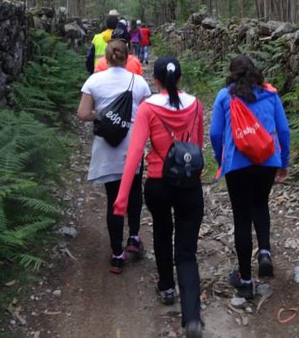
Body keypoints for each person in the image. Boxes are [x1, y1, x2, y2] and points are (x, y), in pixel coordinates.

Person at [113, 56, 205, 338]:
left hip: (158, 183)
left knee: (163, 234)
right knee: (187, 252)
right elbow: (198, 146)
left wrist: (122, 198)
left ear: (155, 80)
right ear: (180, 78)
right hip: (189, 184)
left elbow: (134, 153)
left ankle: (166, 288)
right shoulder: (196, 105)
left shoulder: (148, 108)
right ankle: (192, 318)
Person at [209, 54, 290, 300]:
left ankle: (245, 281)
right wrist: (283, 161)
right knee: (260, 204)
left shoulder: (225, 96)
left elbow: (215, 133)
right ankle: (264, 252)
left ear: (232, 74)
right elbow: (283, 130)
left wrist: (220, 158)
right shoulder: (270, 94)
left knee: (242, 217)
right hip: (267, 160)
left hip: (237, 163)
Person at [78, 36, 152, 274]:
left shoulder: (94, 80)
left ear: (106, 58)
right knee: (134, 192)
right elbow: (149, 113)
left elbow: (83, 113)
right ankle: (134, 238)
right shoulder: (139, 82)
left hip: (106, 146)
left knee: (113, 199)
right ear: (127, 57)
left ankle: (117, 254)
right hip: (132, 146)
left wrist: (100, 114)